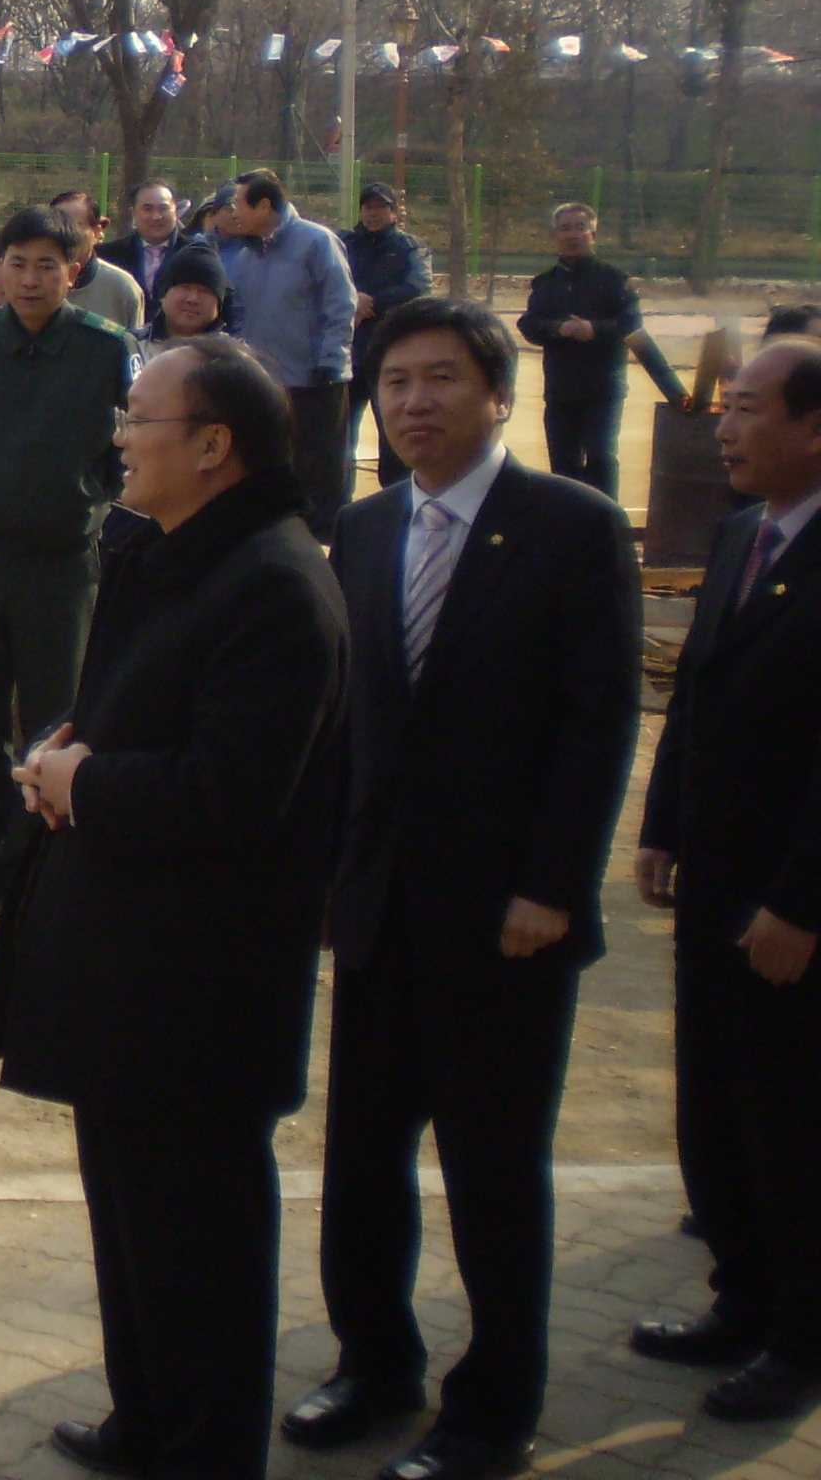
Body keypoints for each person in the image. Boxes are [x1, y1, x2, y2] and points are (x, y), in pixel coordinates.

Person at [0, 337, 347, 1480]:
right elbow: (121, 713)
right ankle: (146, 1421)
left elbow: (228, 794)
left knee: (200, 1243)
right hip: (123, 973)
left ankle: (203, 1450)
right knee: (133, 1230)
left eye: (138, 417)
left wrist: (79, 783)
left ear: (211, 444)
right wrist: (59, 751)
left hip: (199, 988)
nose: (120, 437)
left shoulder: (275, 586)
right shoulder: (166, 552)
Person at [289, 298, 642, 1480]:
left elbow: (593, 730)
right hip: (380, 907)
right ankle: (370, 1365)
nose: (412, 403)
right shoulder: (366, 525)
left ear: (498, 396)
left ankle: (491, 1409)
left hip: (506, 918)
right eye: (392, 384)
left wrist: (551, 884)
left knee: (492, 1171)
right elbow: (349, 725)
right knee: (362, 1160)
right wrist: (333, 880)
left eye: (439, 380)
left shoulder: (571, 527)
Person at [629, 336, 821, 1424]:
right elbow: (693, 696)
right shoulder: (743, 532)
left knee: (789, 1116)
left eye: (747, 409)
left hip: (787, 903)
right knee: (712, 1102)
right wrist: (658, 828)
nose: (724, 427)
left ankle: (798, 1335)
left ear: (810, 428)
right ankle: (738, 1298)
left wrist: (800, 903)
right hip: (710, 881)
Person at [0, 205, 136, 910]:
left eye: (49, 264)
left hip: (63, 560)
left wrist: (85, 504)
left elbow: (125, 451)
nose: (31, 278)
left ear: (73, 274)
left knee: (55, 715)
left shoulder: (106, 350)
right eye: (17, 262)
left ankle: (45, 861)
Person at [216, 169, 357, 540]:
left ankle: (324, 547)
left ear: (264, 206)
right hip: (266, 383)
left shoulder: (316, 242)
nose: (233, 213)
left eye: (238, 204)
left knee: (319, 474)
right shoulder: (246, 255)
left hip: (315, 380)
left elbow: (340, 305)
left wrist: (330, 360)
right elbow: (242, 314)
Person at [516, 203, 641, 502]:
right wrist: (559, 329)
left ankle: (606, 522)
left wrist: (593, 329)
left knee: (601, 457)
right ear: (556, 235)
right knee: (563, 464)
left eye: (579, 228)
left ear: (593, 234)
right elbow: (529, 324)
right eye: (565, 228)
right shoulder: (545, 283)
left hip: (603, 388)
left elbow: (631, 324)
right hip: (561, 389)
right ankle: (569, 529)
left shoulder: (614, 280)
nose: (572, 235)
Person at [344, 184, 437, 487]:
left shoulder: (410, 247)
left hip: (391, 354)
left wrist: (372, 302)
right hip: (346, 352)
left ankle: (397, 501)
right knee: (340, 437)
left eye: (380, 207)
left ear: (394, 212)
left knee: (394, 432)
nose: (373, 213)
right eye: (368, 207)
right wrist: (351, 299)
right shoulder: (343, 243)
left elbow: (419, 287)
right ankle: (338, 510)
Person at [51, 191, 146, 331]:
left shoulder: (122, 288)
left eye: (76, 226)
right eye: (59, 225)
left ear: (96, 232)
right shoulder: (31, 281)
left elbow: (134, 346)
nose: (66, 233)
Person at [139, 236, 233, 344]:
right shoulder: (131, 348)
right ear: (163, 295)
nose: (193, 299)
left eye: (204, 291)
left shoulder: (233, 356)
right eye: (185, 287)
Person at [101, 179, 182, 298]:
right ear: (133, 213)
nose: (156, 217)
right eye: (148, 209)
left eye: (163, 208)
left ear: (175, 211)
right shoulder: (109, 255)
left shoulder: (195, 253)